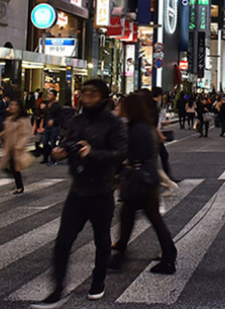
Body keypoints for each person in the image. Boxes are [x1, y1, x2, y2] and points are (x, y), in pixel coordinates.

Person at [31, 80, 128, 309]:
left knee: (102, 239)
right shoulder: (76, 121)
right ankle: (57, 289)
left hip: (102, 189)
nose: (87, 98)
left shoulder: (114, 123)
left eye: (92, 94)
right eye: (84, 94)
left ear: (103, 97)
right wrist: (59, 153)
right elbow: (65, 144)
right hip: (78, 189)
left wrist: (92, 153)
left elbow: (120, 153)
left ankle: (98, 280)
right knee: (63, 240)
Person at [109, 93, 177, 274]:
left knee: (141, 217)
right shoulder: (142, 126)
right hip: (145, 179)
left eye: (122, 106)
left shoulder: (136, 129)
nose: (120, 108)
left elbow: (128, 154)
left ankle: (168, 255)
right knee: (132, 216)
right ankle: (121, 255)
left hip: (141, 181)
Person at [0, 99, 33, 194]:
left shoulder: (22, 120)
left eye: (15, 105)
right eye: (11, 105)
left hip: (17, 147)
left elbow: (25, 134)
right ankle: (19, 184)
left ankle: (20, 187)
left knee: (15, 167)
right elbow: (6, 131)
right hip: (9, 145)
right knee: (6, 166)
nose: (13, 107)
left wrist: (20, 145)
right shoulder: (9, 119)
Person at [42, 89, 63, 166]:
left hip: (55, 127)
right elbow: (45, 116)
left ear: (55, 96)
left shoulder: (58, 106)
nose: (48, 96)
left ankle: (53, 159)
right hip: (47, 126)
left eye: (50, 94)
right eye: (48, 94)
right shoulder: (47, 105)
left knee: (52, 142)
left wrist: (54, 121)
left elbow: (60, 117)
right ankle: (45, 157)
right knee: (44, 141)